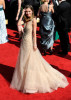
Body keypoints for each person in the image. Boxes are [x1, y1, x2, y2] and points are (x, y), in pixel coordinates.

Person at [10, 5, 69, 94]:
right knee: (24, 61)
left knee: (31, 61)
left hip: (30, 43)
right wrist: (22, 14)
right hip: (23, 43)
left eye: (29, 11)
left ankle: (30, 80)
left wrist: (34, 45)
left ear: (32, 12)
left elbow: (34, 34)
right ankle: (25, 77)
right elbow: (18, 24)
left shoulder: (33, 20)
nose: (28, 13)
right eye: (26, 11)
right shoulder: (25, 19)